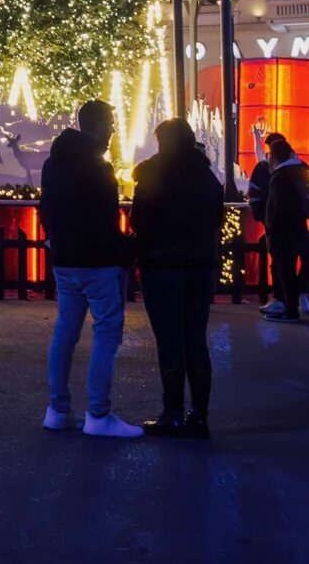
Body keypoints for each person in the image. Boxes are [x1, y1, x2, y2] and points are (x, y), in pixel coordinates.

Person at [40, 100, 138, 437]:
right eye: (110, 123)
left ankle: (57, 408)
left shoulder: (54, 163)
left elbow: (47, 209)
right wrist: (124, 249)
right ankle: (98, 413)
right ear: (98, 125)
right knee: (107, 332)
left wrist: (55, 240)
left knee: (66, 330)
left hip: (65, 259)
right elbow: (105, 218)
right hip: (98, 262)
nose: (112, 130)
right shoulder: (98, 166)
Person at [130, 118, 222, 438]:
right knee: (195, 338)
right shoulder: (208, 178)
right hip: (200, 267)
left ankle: (173, 413)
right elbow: (216, 220)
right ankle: (199, 415)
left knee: (169, 339)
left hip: (162, 266)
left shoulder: (153, 176)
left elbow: (139, 221)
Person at [248, 132, 309, 321]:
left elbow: (273, 204)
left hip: (280, 229)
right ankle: (292, 298)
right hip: (295, 226)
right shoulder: (300, 169)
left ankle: (289, 305)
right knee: (295, 262)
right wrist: (305, 212)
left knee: (283, 266)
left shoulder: (278, 175)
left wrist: (267, 220)